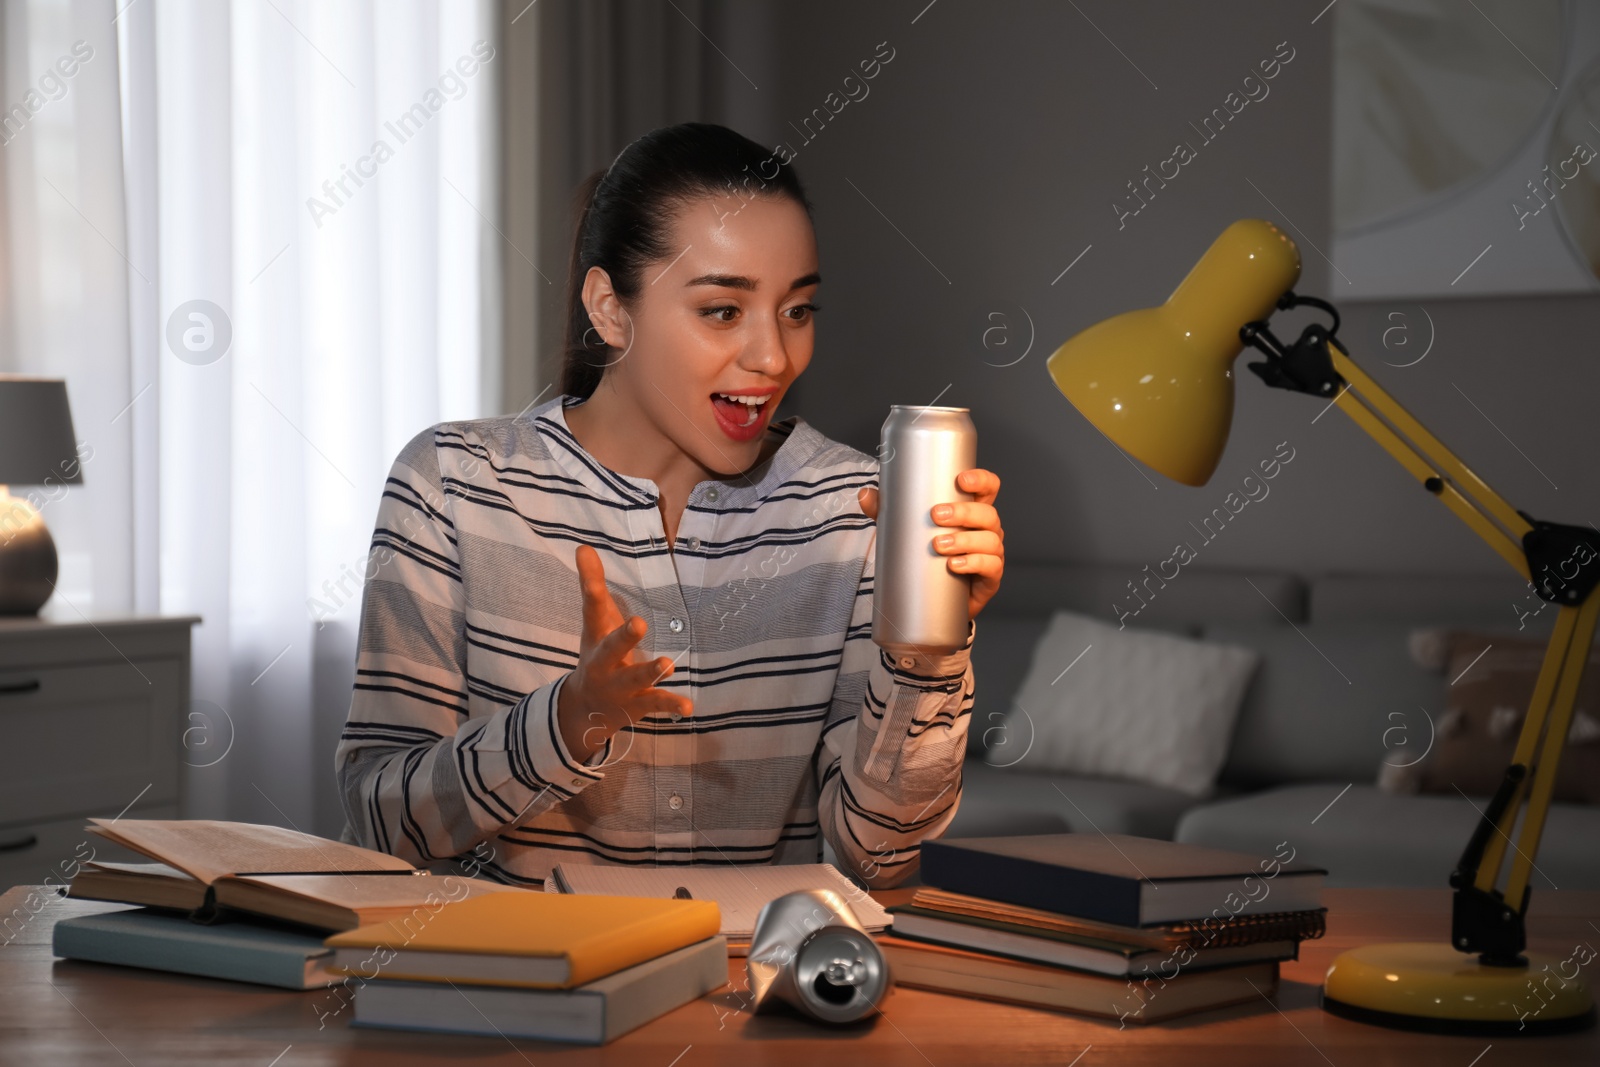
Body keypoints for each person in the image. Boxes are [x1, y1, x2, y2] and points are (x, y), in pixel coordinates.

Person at [335, 122, 1005, 888]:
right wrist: (567, 722)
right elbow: (380, 822)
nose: (773, 357)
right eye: (723, 310)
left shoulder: (851, 510)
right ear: (611, 309)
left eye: (797, 311)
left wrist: (927, 656)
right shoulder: (455, 485)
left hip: (759, 997)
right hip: (519, 997)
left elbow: (882, 858)